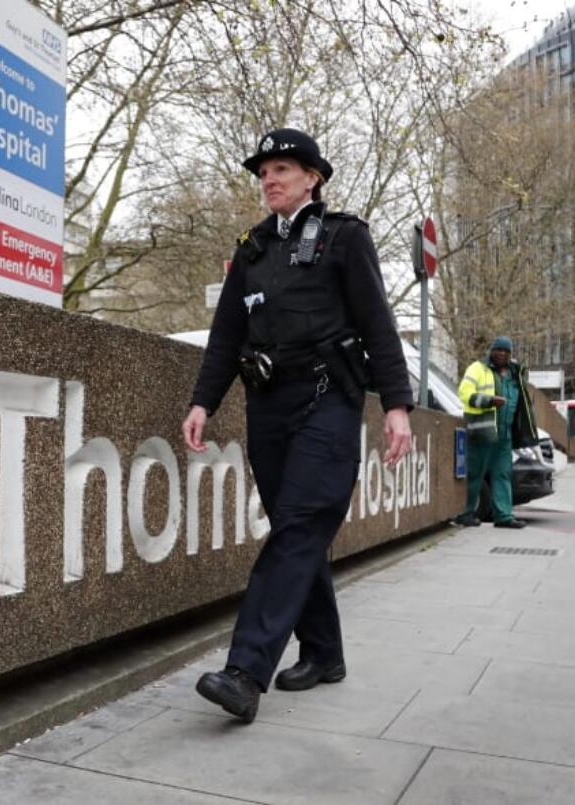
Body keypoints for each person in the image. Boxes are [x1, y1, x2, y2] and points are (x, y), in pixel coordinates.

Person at [181, 128, 413, 724]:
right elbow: (226, 335)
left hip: (329, 400)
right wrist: (203, 402)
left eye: (282, 168)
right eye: (263, 172)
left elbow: (379, 325)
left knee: (301, 524)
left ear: (313, 177)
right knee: (295, 529)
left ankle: (244, 670)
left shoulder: (344, 238)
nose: (270, 180)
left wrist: (396, 406)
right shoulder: (251, 250)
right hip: (268, 406)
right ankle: (325, 653)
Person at [453, 336, 539, 529]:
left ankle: (503, 516)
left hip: (505, 435)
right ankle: (464, 513)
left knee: (503, 475)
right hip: (482, 431)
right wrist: (489, 401)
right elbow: (464, 393)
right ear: (491, 351)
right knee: (475, 474)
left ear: (510, 354)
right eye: (498, 350)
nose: (502, 353)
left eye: (506, 351)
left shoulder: (516, 373)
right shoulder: (478, 368)